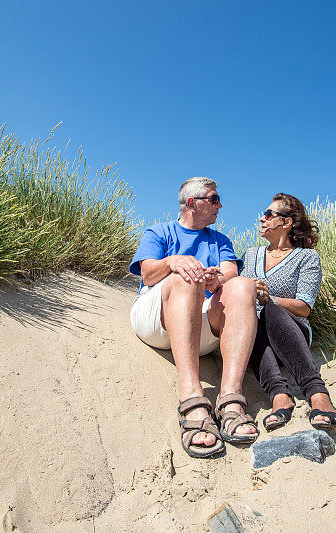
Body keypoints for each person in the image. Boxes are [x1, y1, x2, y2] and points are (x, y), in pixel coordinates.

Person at [129, 177, 260, 458]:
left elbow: (230, 274)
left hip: (201, 326)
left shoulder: (220, 240)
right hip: (156, 320)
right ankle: (191, 396)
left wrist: (215, 280)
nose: (220, 206)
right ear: (192, 203)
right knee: (186, 276)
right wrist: (172, 262)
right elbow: (148, 274)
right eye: (214, 199)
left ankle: (231, 400)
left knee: (243, 285)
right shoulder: (159, 231)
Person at [240, 193, 336, 431]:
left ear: (286, 222)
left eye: (268, 215)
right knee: (249, 321)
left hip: (290, 331)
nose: (262, 219)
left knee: (270, 312)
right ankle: (279, 395)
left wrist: (270, 299)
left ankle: (317, 392)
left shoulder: (307, 257)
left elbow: (305, 307)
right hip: (255, 338)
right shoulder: (250, 255)